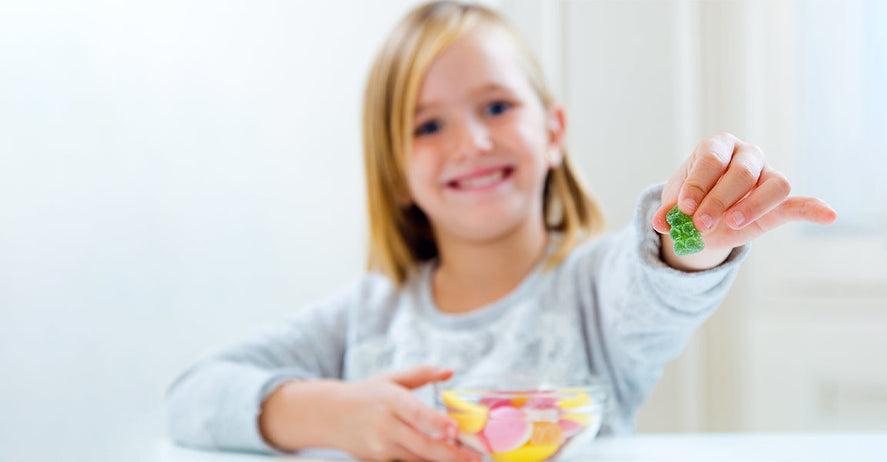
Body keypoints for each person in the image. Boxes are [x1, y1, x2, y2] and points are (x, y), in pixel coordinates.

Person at [165, 1, 837, 461]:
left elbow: (664, 278)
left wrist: (697, 231)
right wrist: (334, 413)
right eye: (428, 125)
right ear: (395, 174)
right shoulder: (365, 316)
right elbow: (193, 398)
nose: (473, 142)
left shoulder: (593, 294)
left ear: (553, 134)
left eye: (496, 105)